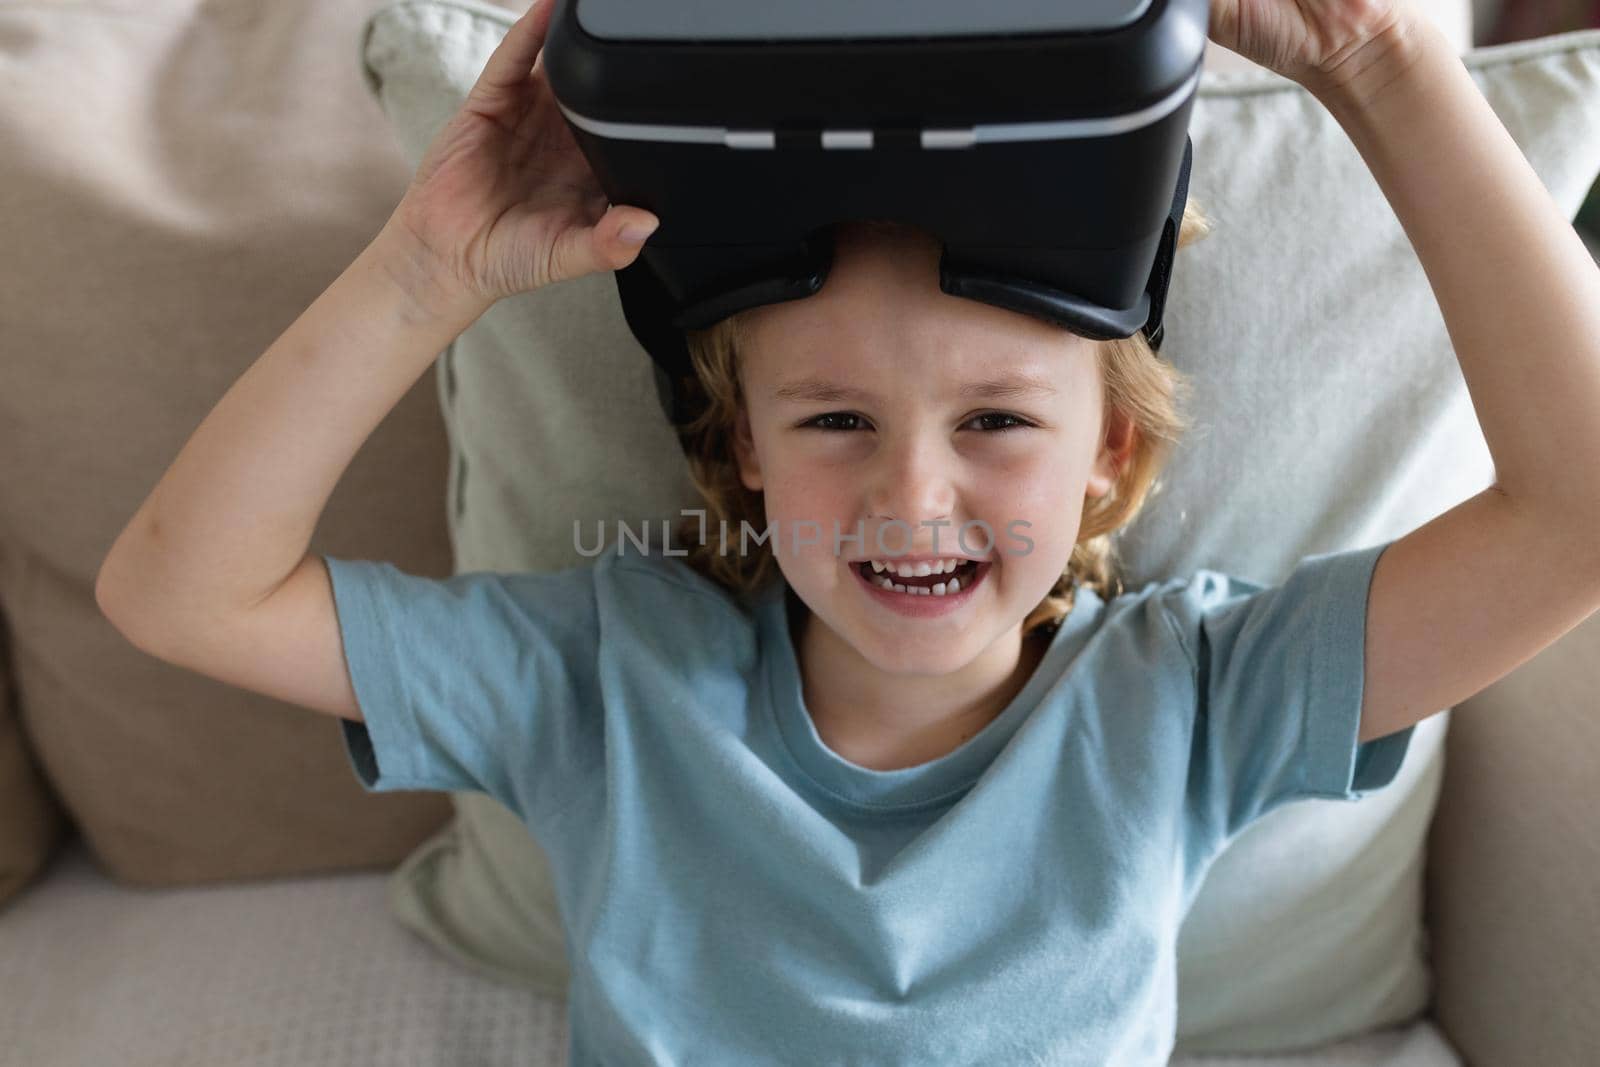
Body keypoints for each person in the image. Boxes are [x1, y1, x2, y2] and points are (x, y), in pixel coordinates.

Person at [93, 0, 1600, 1062]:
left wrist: (1383, 63)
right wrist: (425, 277)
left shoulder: (1191, 694)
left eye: (998, 423)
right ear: (742, 448)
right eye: (833, 422)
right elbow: (181, 596)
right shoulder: (610, 674)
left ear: (1111, 453)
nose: (911, 499)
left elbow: (1574, 520)